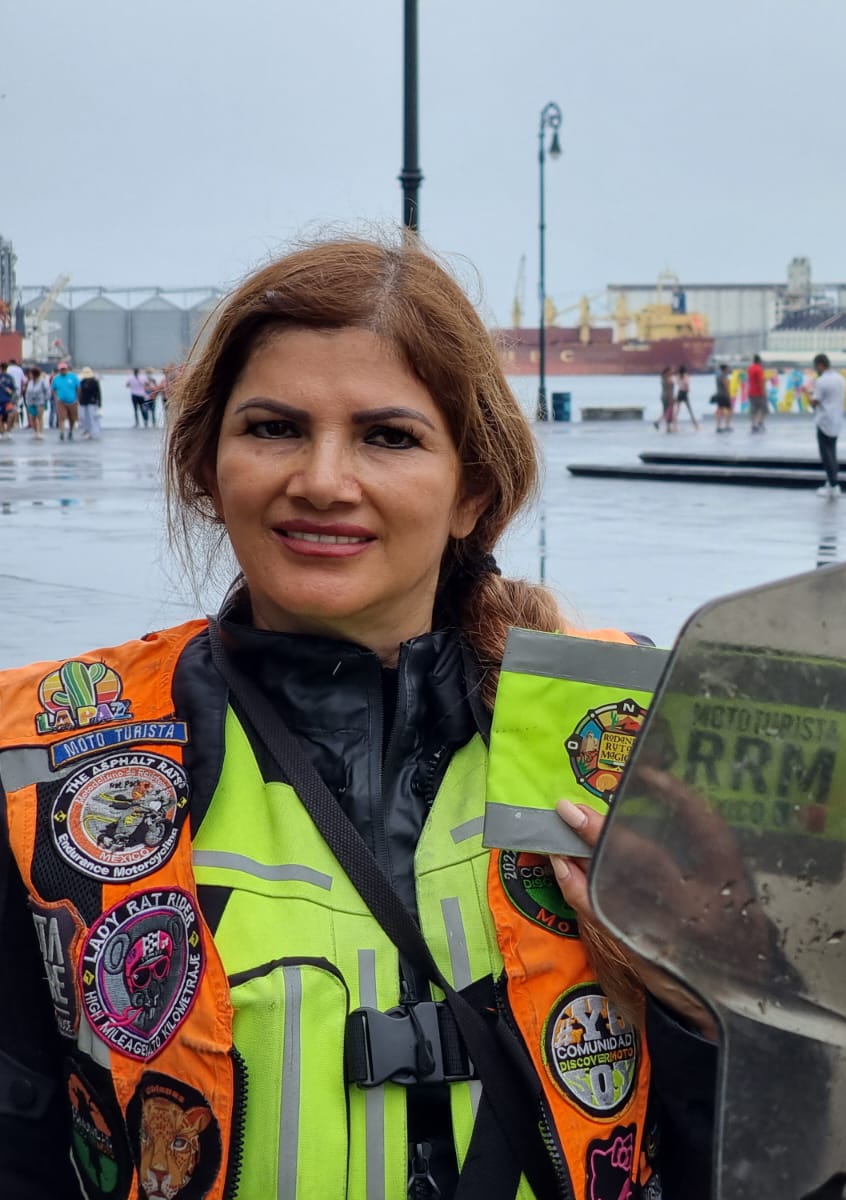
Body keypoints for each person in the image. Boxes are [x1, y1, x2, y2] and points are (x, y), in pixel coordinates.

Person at [0, 238, 714, 1199]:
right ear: (209, 466)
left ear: (472, 492)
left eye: (388, 437)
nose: (324, 480)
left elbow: (780, 1136)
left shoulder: (619, 731)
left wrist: (701, 1005)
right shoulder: (44, 758)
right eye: (274, 428)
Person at [806, 352, 845, 497]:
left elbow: (814, 403)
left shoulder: (821, 381)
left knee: (826, 455)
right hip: (837, 420)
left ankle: (833, 486)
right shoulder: (840, 378)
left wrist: (806, 393)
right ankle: (831, 481)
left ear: (820, 365)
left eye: (816, 367)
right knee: (833, 452)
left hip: (824, 421)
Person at [51, 361, 80, 440]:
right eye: (61, 369)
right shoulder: (56, 378)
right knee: (61, 418)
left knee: (72, 418)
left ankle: (71, 431)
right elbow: (53, 389)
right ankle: (62, 432)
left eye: (64, 369)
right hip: (61, 401)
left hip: (72, 401)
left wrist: (77, 399)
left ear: (67, 369)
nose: (63, 370)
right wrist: (56, 398)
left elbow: (78, 388)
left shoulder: (73, 377)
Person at [23, 367, 49, 440]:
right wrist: (27, 401)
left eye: (31, 374)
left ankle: (40, 432)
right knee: (32, 417)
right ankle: (35, 431)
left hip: (40, 401)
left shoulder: (42, 381)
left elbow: (47, 390)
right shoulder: (30, 382)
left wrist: (46, 399)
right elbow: (27, 392)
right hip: (31, 402)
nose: (30, 375)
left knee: (39, 417)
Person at [77, 365, 103, 440]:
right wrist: (78, 400)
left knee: (92, 417)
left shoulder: (95, 382)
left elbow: (98, 393)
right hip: (82, 402)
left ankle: (92, 432)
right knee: (82, 417)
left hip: (92, 402)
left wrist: (99, 403)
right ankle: (86, 430)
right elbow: (79, 392)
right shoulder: (82, 382)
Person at [748, 352, 769, 432]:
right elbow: (761, 381)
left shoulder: (750, 368)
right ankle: (760, 422)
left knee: (753, 409)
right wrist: (764, 392)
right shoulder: (759, 369)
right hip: (759, 393)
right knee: (764, 409)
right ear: (759, 361)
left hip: (751, 392)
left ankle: (753, 425)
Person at [672, 364, 698, 430]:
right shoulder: (686, 376)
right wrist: (688, 390)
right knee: (690, 410)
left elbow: (676, 383)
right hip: (684, 393)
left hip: (679, 392)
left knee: (677, 410)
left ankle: (674, 426)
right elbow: (687, 384)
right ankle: (696, 425)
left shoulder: (677, 376)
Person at [712, 363, 733, 432]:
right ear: (725, 369)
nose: (729, 370)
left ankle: (718, 426)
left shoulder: (718, 376)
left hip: (719, 395)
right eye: (728, 369)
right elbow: (726, 387)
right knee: (729, 410)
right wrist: (729, 394)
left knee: (720, 410)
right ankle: (727, 425)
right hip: (724, 396)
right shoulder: (723, 377)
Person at [655, 365, 675, 432]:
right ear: (668, 372)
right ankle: (658, 422)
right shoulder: (668, 379)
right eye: (670, 371)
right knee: (669, 412)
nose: (672, 372)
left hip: (663, 396)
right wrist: (671, 398)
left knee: (666, 411)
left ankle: (667, 426)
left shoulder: (663, 378)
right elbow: (669, 390)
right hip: (668, 397)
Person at [0, 361, 14, 440]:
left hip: (8, 400)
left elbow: (13, 389)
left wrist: (11, 391)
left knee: (10, 416)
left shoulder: (10, 378)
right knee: (1, 417)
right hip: (1, 400)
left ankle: (8, 431)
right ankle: (2, 432)